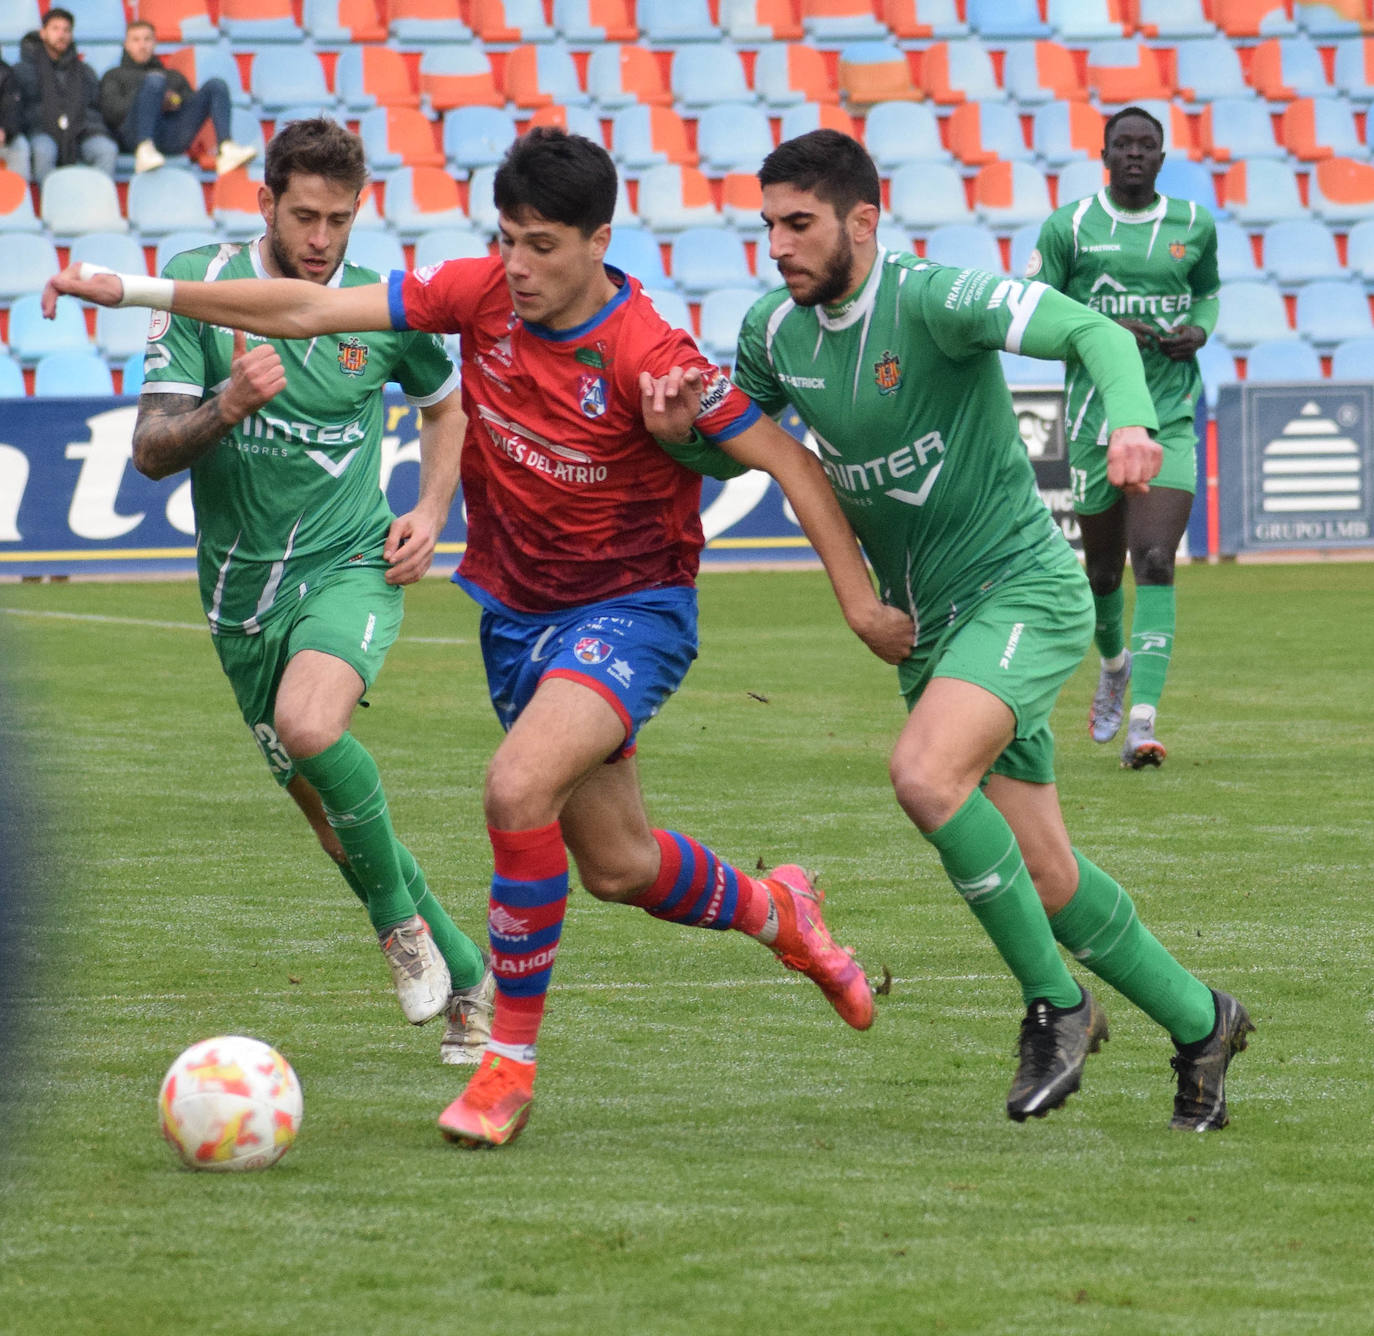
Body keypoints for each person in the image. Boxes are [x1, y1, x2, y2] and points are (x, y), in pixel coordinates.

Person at [45, 127, 915, 1149]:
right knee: (621, 866)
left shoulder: (649, 352)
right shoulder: (478, 295)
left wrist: (860, 604)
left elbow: (789, 462)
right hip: (515, 617)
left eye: (541, 245)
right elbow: (311, 309)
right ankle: (781, 912)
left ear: (597, 242)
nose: (518, 266)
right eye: (507, 239)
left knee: (513, 788)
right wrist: (135, 291)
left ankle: (503, 1062)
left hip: (630, 614)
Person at [641, 129, 1252, 1132]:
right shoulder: (774, 333)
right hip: (933, 636)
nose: (780, 246)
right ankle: (1202, 1019)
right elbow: (735, 451)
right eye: (770, 228)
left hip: (1022, 592)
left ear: (864, 221)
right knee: (1049, 875)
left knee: (925, 776)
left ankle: (1056, 1006)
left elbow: (1094, 332)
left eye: (801, 225)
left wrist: (1133, 419)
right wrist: (680, 438)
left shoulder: (935, 298)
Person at [67, 118, 494, 1064]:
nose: (321, 239)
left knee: (312, 726)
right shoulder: (203, 286)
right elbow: (147, 451)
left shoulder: (381, 311)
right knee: (334, 821)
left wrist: (429, 509)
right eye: (304, 216)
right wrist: (230, 403)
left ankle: (401, 937)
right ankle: (467, 970)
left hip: (350, 563)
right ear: (265, 203)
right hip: (237, 603)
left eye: (339, 219)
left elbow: (446, 401)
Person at [1027, 106, 1220, 769]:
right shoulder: (1070, 227)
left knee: (1157, 558)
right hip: (1092, 421)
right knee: (1104, 571)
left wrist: (1198, 330)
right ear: (1104, 154)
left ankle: (1143, 722)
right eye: (1124, 144)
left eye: (1148, 145)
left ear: (1162, 158)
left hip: (1169, 412)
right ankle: (1114, 666)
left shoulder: (1194, 225)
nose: (1135, 153)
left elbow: (1209, 295)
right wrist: (1102, 331)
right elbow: (1035, 311)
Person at [99, 20, 257, 176]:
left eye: (147, 39)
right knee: (155, 81)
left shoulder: (172, 76)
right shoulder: (114, 76)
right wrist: (150, 99)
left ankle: (227, 147)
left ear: (155, 43)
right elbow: (111, 113)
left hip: (171, 138)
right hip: (132, 138)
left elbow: (187, 103)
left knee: (216, 85)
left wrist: (173, 101)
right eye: (136, 39)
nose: (142, 45)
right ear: (126, 44)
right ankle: (144, 148)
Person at [11, 7, 117, 184]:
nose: (61, 34)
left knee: (106, 150)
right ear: (43, 33)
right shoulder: (23, 70)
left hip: (82, 130)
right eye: (55, 28)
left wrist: (86, 126)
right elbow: (20, 109)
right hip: (41, 130)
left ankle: (96, 204)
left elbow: (95, 108)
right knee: (43, 151)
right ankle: (52, 205)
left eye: (66, 30)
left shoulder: (85, 71)